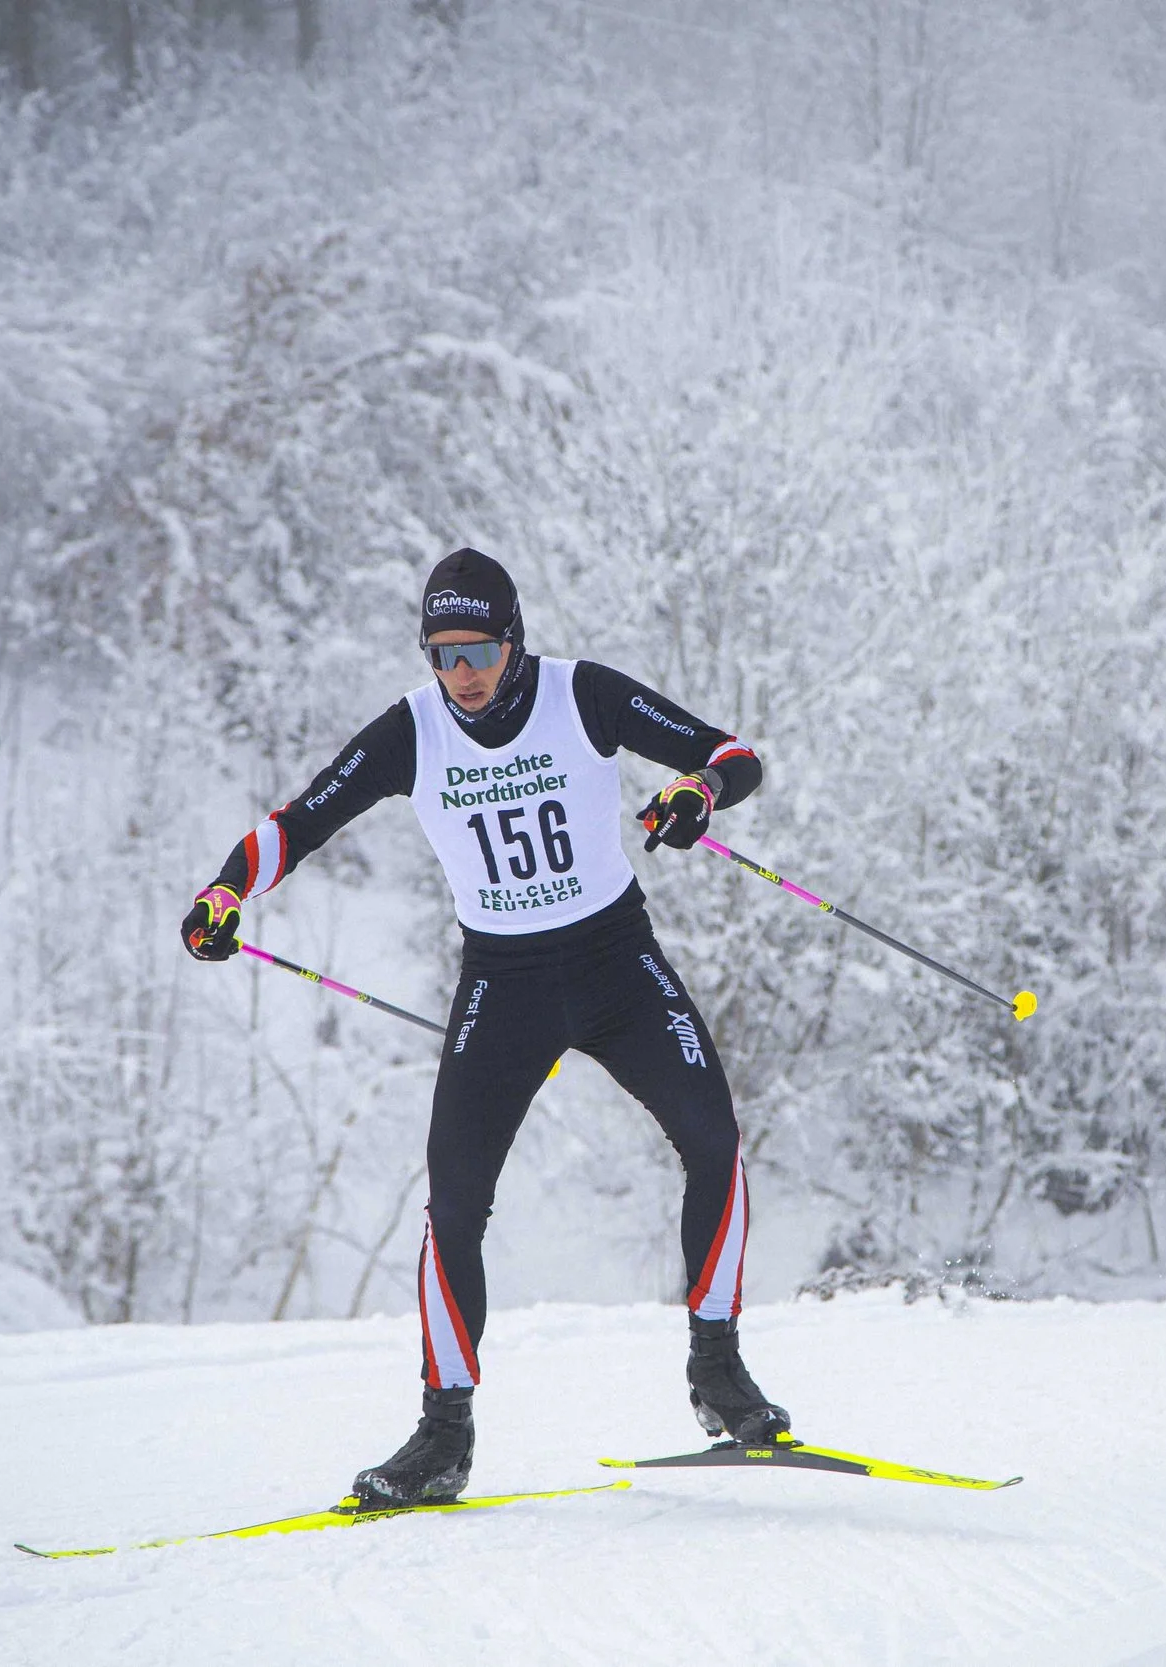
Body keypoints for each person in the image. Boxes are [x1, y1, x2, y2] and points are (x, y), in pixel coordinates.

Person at [179, 547, 789, 1507]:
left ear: (513, 640)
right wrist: (225, 887)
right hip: (503, 983)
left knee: (716, 1141)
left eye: (477, 649)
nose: (461, 672)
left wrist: (693, 794)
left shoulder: (580, 694)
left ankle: (716, 1366)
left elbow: (732, 755)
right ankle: (442, 1433)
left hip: (615, 962)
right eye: (441, 651)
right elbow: (295, 823)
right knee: (454, 1207)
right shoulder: (414, 731)